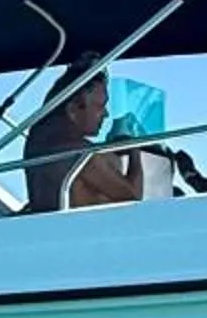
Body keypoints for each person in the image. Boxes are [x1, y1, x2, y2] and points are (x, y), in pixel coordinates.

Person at [24, 63, 144, 213]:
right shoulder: (80, 154)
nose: (106, 114)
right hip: (81, 231)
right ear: (73, 109)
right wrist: (135, 151)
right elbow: (134, 195)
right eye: (100, 106)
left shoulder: (38, 143)